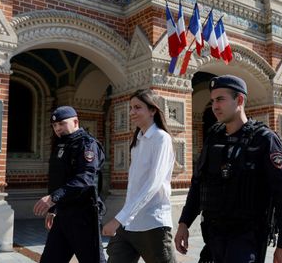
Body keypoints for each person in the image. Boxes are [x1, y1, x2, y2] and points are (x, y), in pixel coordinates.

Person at [174, 75, 282, 263]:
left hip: (246, 239)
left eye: (221, 99)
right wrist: (184, 223)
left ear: (239, 100)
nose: (215, 106)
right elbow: (199, 183)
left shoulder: (264, 139)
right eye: (213, 100)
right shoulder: (214, 136)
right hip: (213, 238)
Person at [102, 89, 177, 263]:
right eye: (130, 108)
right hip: (129, 224)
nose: (131, 113)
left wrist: (118, 218)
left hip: (153, 224)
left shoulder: (161, 138)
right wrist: (124, 218)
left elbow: (153, 184)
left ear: (153, 110)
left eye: (137, 107)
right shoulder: (137, 141)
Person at [33, 106, 106, 263]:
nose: (58, 128)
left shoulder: (87, 144)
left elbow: (85, 178)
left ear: (75, 121)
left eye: (62, 124)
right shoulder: (61, 145)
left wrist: (53, 198)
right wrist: (53, 209)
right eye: (54, 125)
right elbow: (57, 179)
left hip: (83, 216)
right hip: (63, 215)